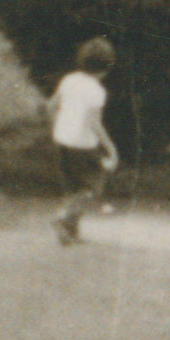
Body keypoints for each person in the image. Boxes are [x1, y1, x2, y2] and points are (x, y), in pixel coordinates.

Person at [46, 38, 120, 245]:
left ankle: (70, 232)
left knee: (73, 188)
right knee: (91, 187)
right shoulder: (97, 91)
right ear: (106, 68)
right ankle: (63, 217)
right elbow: (94, 123)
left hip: (63, 140)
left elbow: (51, 106)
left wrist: (58, 127)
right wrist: (111, 149)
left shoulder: (69, 80)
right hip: (83, 144)